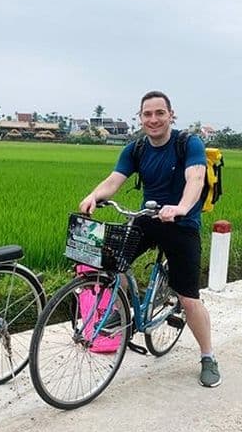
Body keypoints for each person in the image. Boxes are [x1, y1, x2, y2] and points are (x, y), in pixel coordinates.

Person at [78, 90, 222, 387]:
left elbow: (195, 178)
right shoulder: (136, 149)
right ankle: (123, 314)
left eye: (159, 113)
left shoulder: (188, 143)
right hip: (147, 218)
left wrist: (181, 207)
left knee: (189, 298)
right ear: (140, 117)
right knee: (110, 264)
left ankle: (208, 356)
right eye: (147, 114)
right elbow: (114, 181)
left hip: (181, 223)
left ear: (171, 115)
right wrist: (94, 195)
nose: (153, 119)